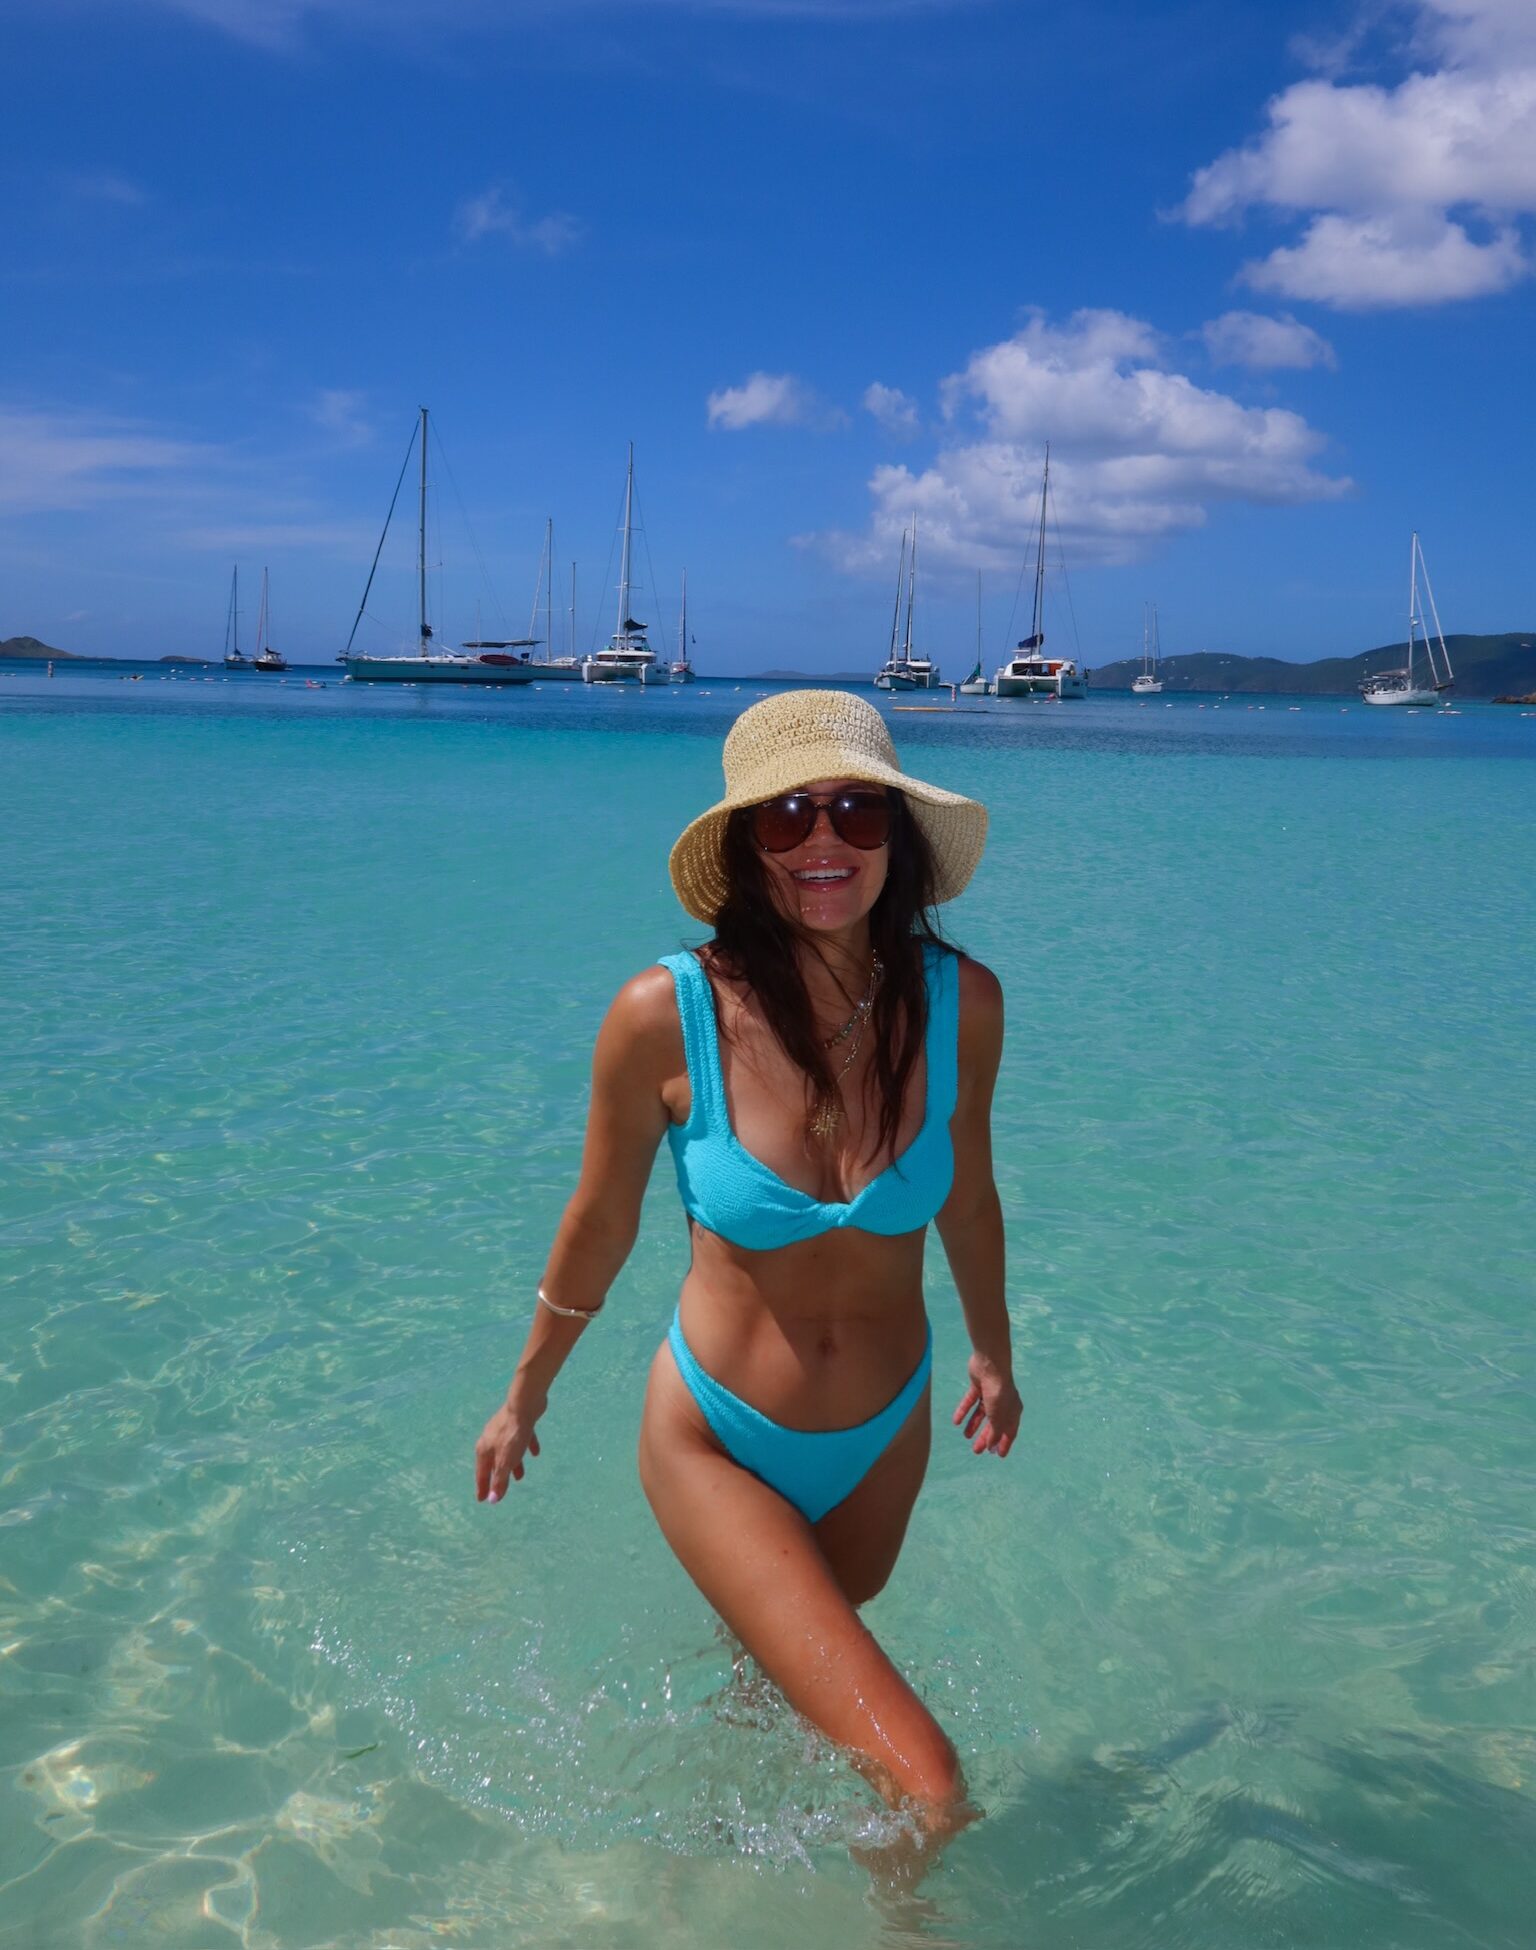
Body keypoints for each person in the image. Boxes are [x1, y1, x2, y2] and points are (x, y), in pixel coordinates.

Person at [474, 689, 1020, 1840]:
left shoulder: (960, 1003)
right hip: (717, 1436)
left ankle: (702, 1875)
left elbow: (966, 1191)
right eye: (788, 818)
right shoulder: (662, 1015)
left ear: (898, 838)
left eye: (858, 813)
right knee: (927, 1783)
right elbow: (599, 1223)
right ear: (744, 845)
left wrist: (992, 1350)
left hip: (886, 1433)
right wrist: (527, 1394)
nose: (825, 841)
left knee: (794, 1681)